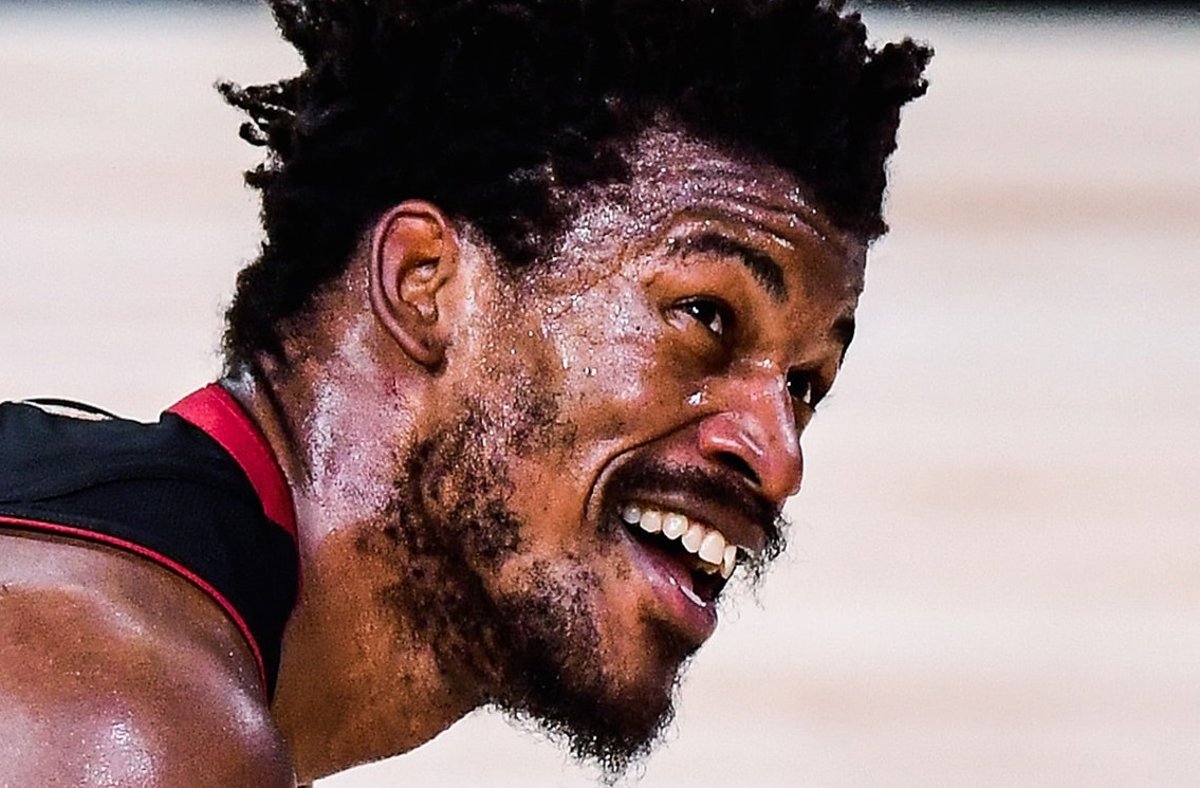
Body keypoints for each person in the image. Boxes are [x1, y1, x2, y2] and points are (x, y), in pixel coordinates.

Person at [0, 0, 931, 784]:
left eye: (805, 385)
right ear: (425, 283)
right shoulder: (121, 719)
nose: (779, 457)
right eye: (705, 315)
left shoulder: (110, 587)